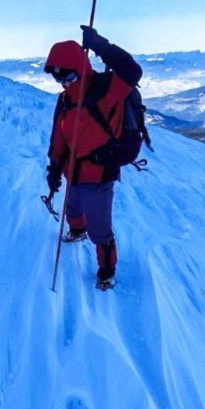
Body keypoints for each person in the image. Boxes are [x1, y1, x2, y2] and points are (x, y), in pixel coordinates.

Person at [44, 26, 142, 286]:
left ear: (79, 69)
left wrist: (100, 45)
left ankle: (106, 271)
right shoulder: (64, 100)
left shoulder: (105, 88)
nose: (63, 83)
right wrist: (54, 169)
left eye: (67, 77)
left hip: (99, 173)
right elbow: (59, 137)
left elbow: (132, 71)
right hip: (73, 171)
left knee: (100, 228)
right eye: (58, 79)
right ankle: (77, 230)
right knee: (72, 208)